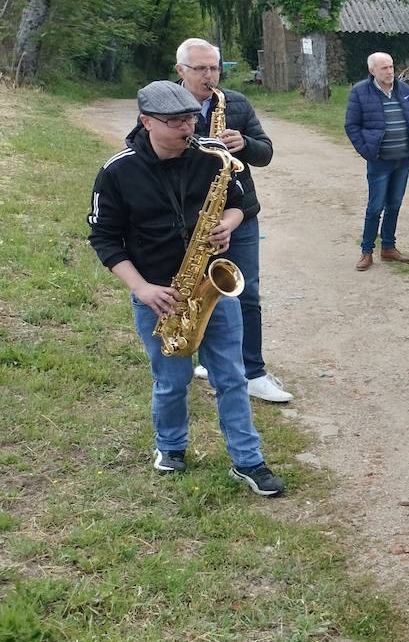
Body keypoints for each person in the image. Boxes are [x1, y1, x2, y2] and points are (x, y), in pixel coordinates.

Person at [88, 80, 285, 497]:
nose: (187, 129)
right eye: (175, 121)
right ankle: (171, 446)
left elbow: (241, 205)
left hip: (209, 284)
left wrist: (226, 226)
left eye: (190, 119)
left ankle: (249, 461)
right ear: (146, 122)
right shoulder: (118, 170)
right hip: (160, 293)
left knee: (231, 376)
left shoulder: (212, 157)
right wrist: (142, 289)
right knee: (171, 380)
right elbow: (104, 239)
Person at [173, 38, 293, 403]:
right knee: (195, 290)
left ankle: (253, 371)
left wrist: (245, 143)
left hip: (238, 214)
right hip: (187, 217)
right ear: (181, 70)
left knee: (246, 291)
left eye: (214, 68)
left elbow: (266, 152)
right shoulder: (164, 102)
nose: (210, 76)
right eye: (201, 69)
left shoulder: (234, 103)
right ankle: (211, 360)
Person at [346, 52, 409, 270]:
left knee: (394, 204)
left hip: (403, 158)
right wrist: (367, 150)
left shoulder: (403, 89)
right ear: (372, 71)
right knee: (375, 207)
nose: (390, 72)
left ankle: (388, 247)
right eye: (384, 68)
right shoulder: (360, 92)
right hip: (379, 160)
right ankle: (366, 251)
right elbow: (351, 126)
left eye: (391, 67)